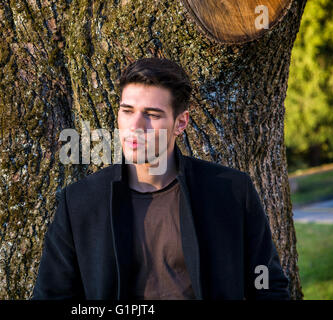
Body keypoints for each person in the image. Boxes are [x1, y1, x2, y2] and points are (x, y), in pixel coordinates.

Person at [32, 57, 290, 300]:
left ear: (180, 123)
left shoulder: (231, 191)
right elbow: (52, 293)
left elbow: (267, 285)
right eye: (127, 111)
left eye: (152, 115)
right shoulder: (80, 202)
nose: (135, 126)